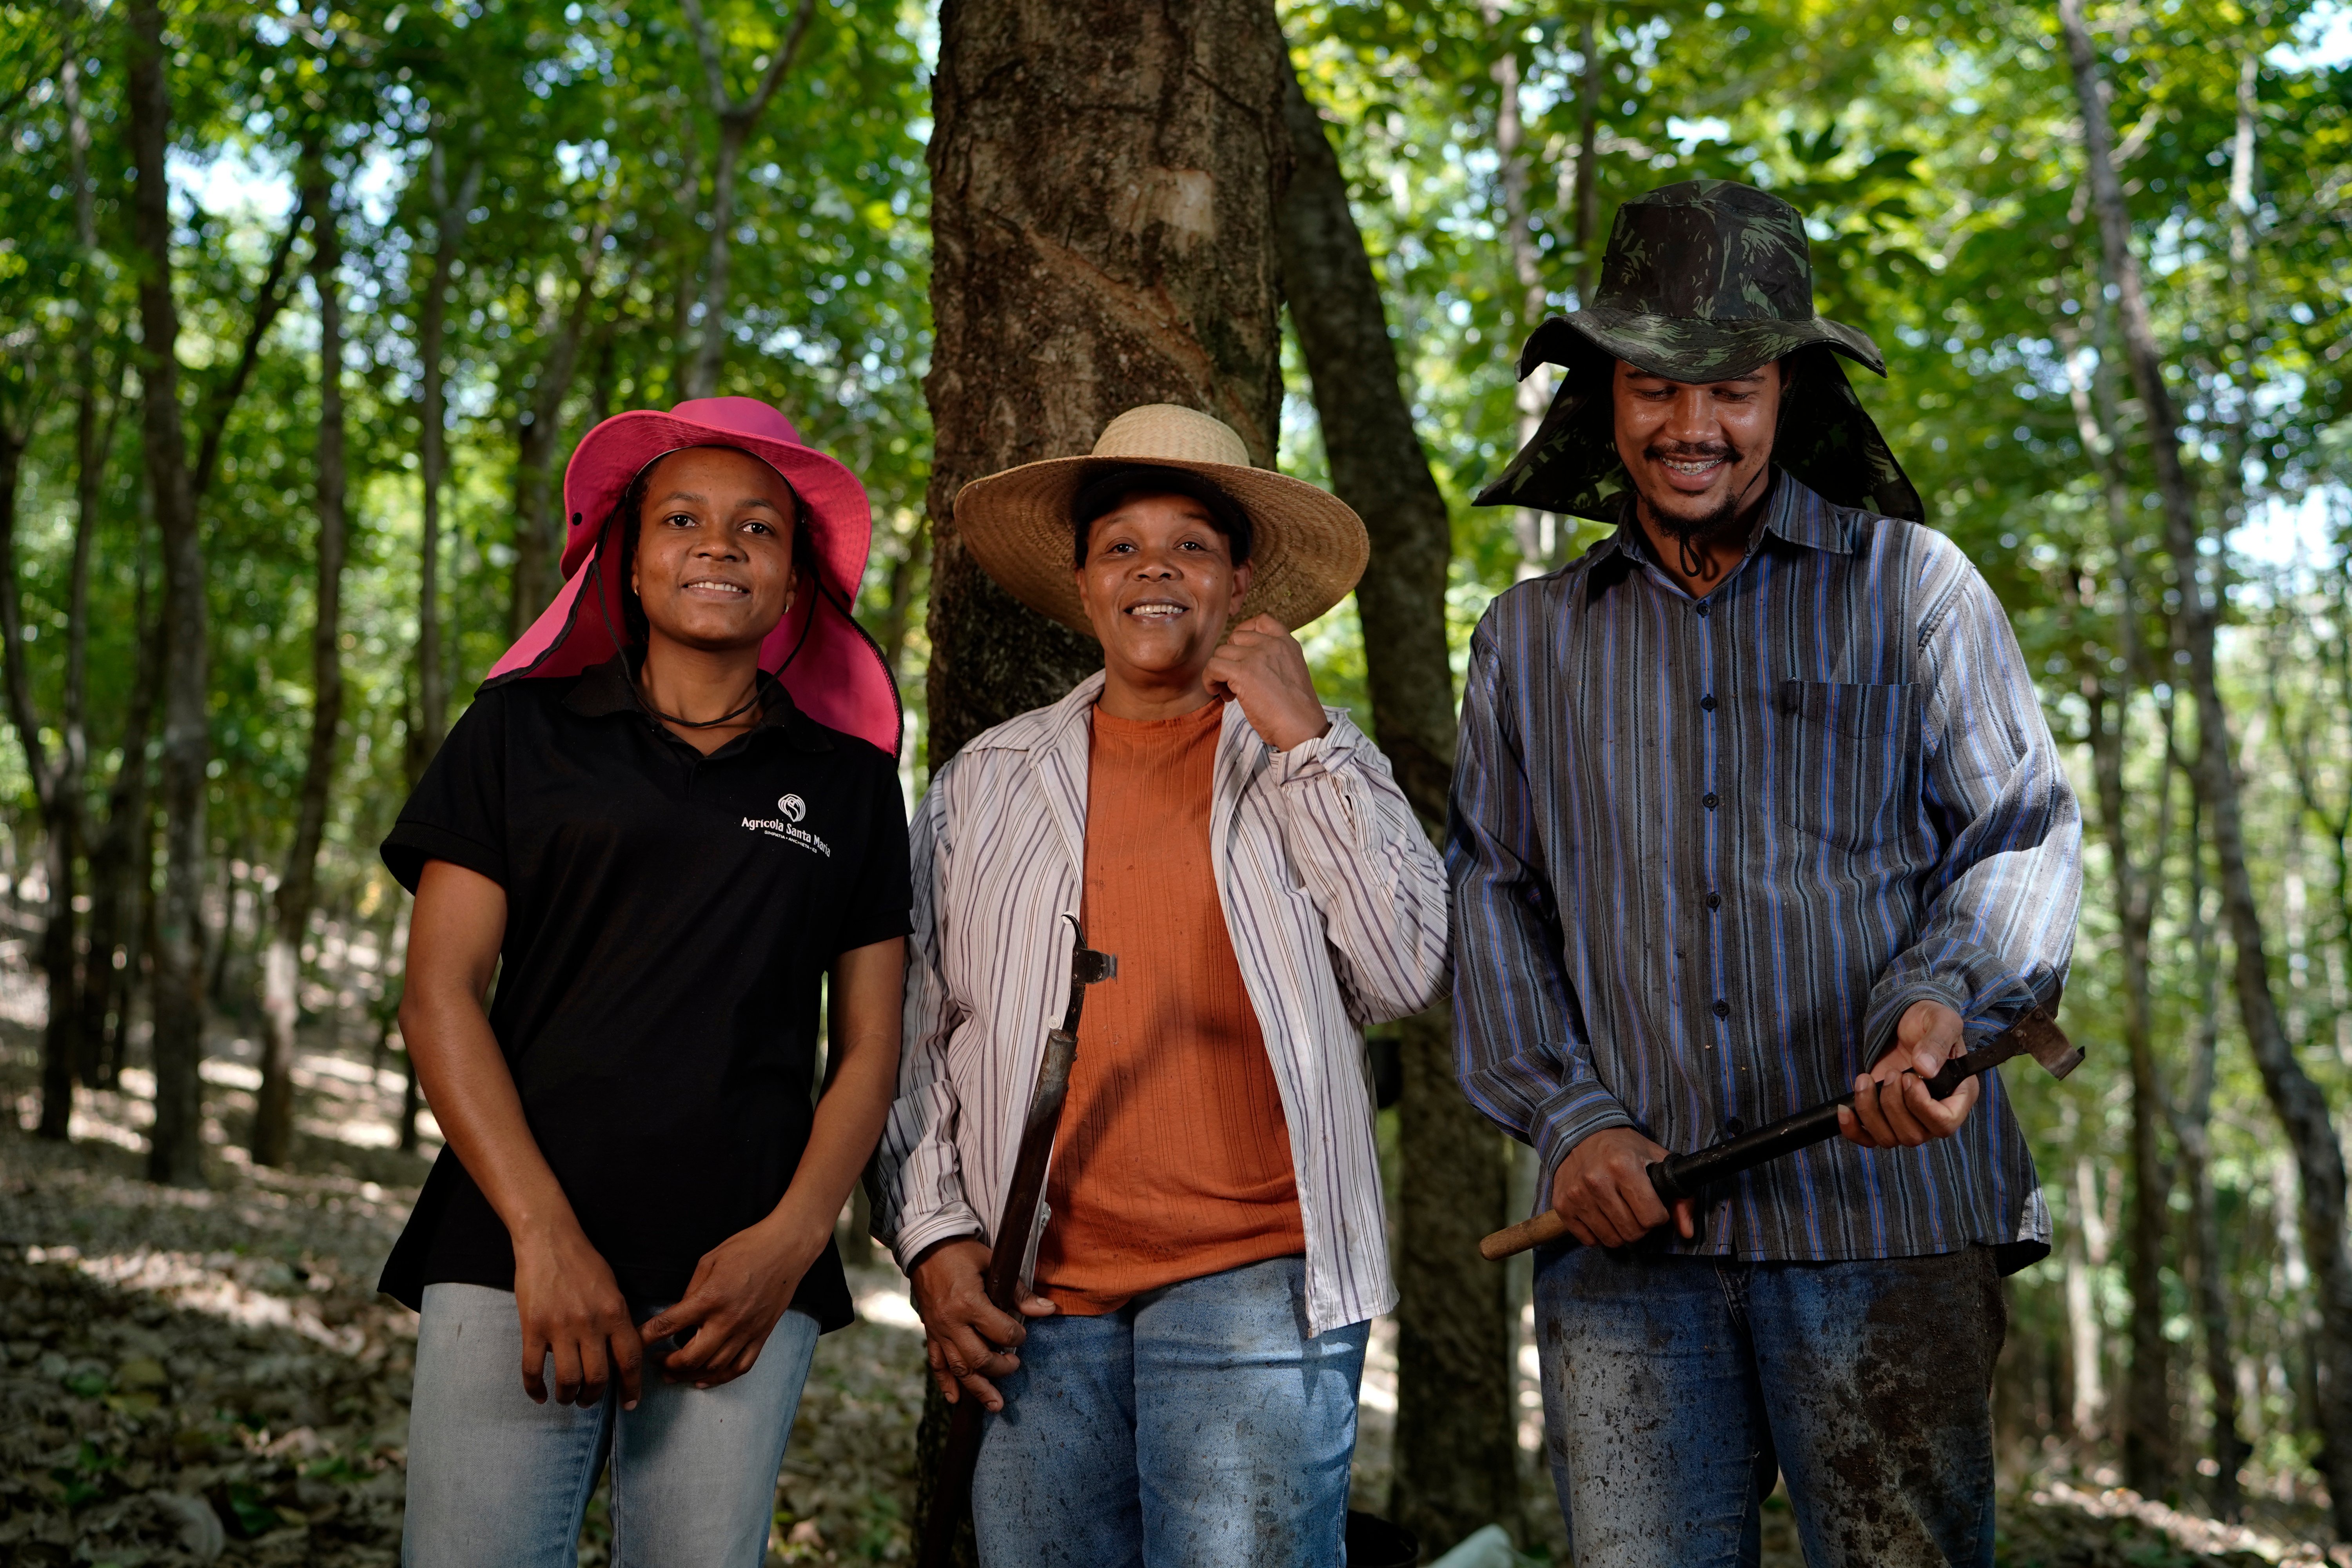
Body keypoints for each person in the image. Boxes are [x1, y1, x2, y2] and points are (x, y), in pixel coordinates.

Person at [1451, 180, 2082, 1568]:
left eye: (1729, 387)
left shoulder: (1915, 586)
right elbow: (1493, 894)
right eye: (1651, 389)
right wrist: (1573, 1123)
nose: (1691, 428)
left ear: (1786, 392)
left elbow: (2021, 833)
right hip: (1630, 1246)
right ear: (1603, 401)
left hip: (1891, 1224)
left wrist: (1939, 1011)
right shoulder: (1527, 640)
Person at [873, 404, 1448, 1567]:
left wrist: (1303, 738)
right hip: (1039, 1297)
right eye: (1121, 545)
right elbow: (910, 1033)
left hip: (1262, 1283)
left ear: (1240, 584)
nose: (1154, 569)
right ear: (1085, 585)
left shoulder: (1316, 757)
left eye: (1191, 544)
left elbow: (1404, 972)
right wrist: (932, 1239)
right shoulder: (988, 783)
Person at [382, 396, 912, 1568]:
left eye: (759, 530)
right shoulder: (518, 733)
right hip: (510, 1246)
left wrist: (792, 1238)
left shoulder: (854, 786)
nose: (718, 546)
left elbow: (871, 1044)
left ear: (794, 585)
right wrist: (544, 1236)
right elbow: (441, 995)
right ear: (629, 564)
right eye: (682, 519)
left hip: (743, 1274)